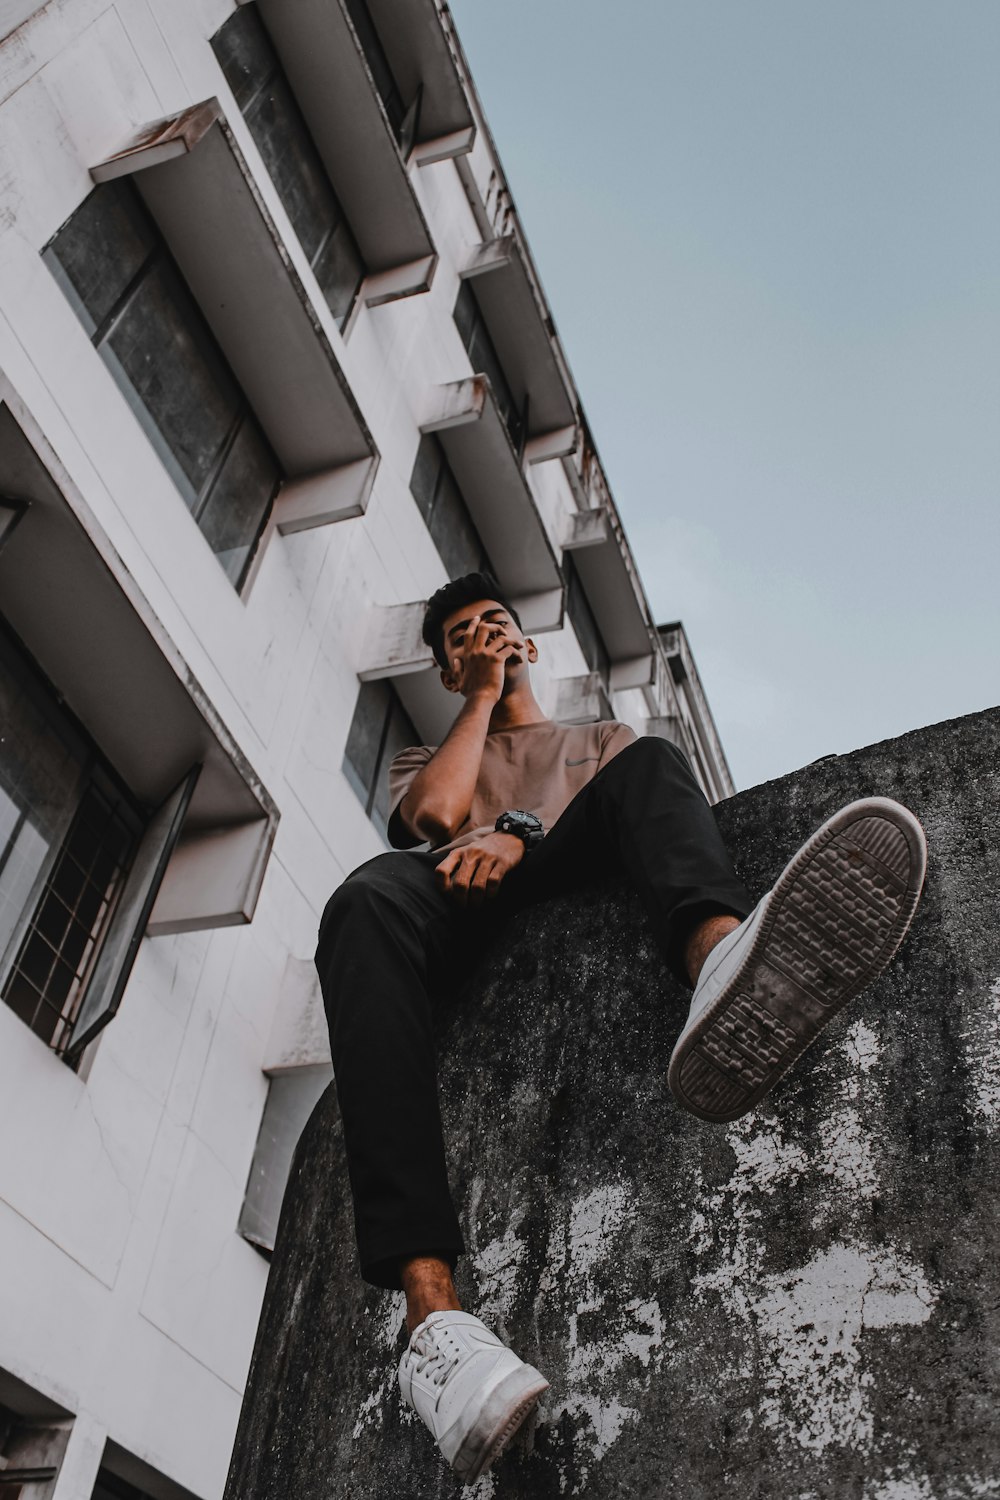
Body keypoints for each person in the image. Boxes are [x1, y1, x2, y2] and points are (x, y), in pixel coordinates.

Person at [315, 572, 927, 1486]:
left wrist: (518, 829)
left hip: (554, 860)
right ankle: (433, 1325)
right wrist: (482, 704)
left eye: (496, 627)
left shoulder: (597, 741)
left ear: (526, 644)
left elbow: (625, 816)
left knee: (646, 762)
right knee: (361, 900)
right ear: (447, 671)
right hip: (455, 897)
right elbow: (437, 821)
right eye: (461, 642)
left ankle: (720, 963)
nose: (482, 638)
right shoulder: (431, 752)